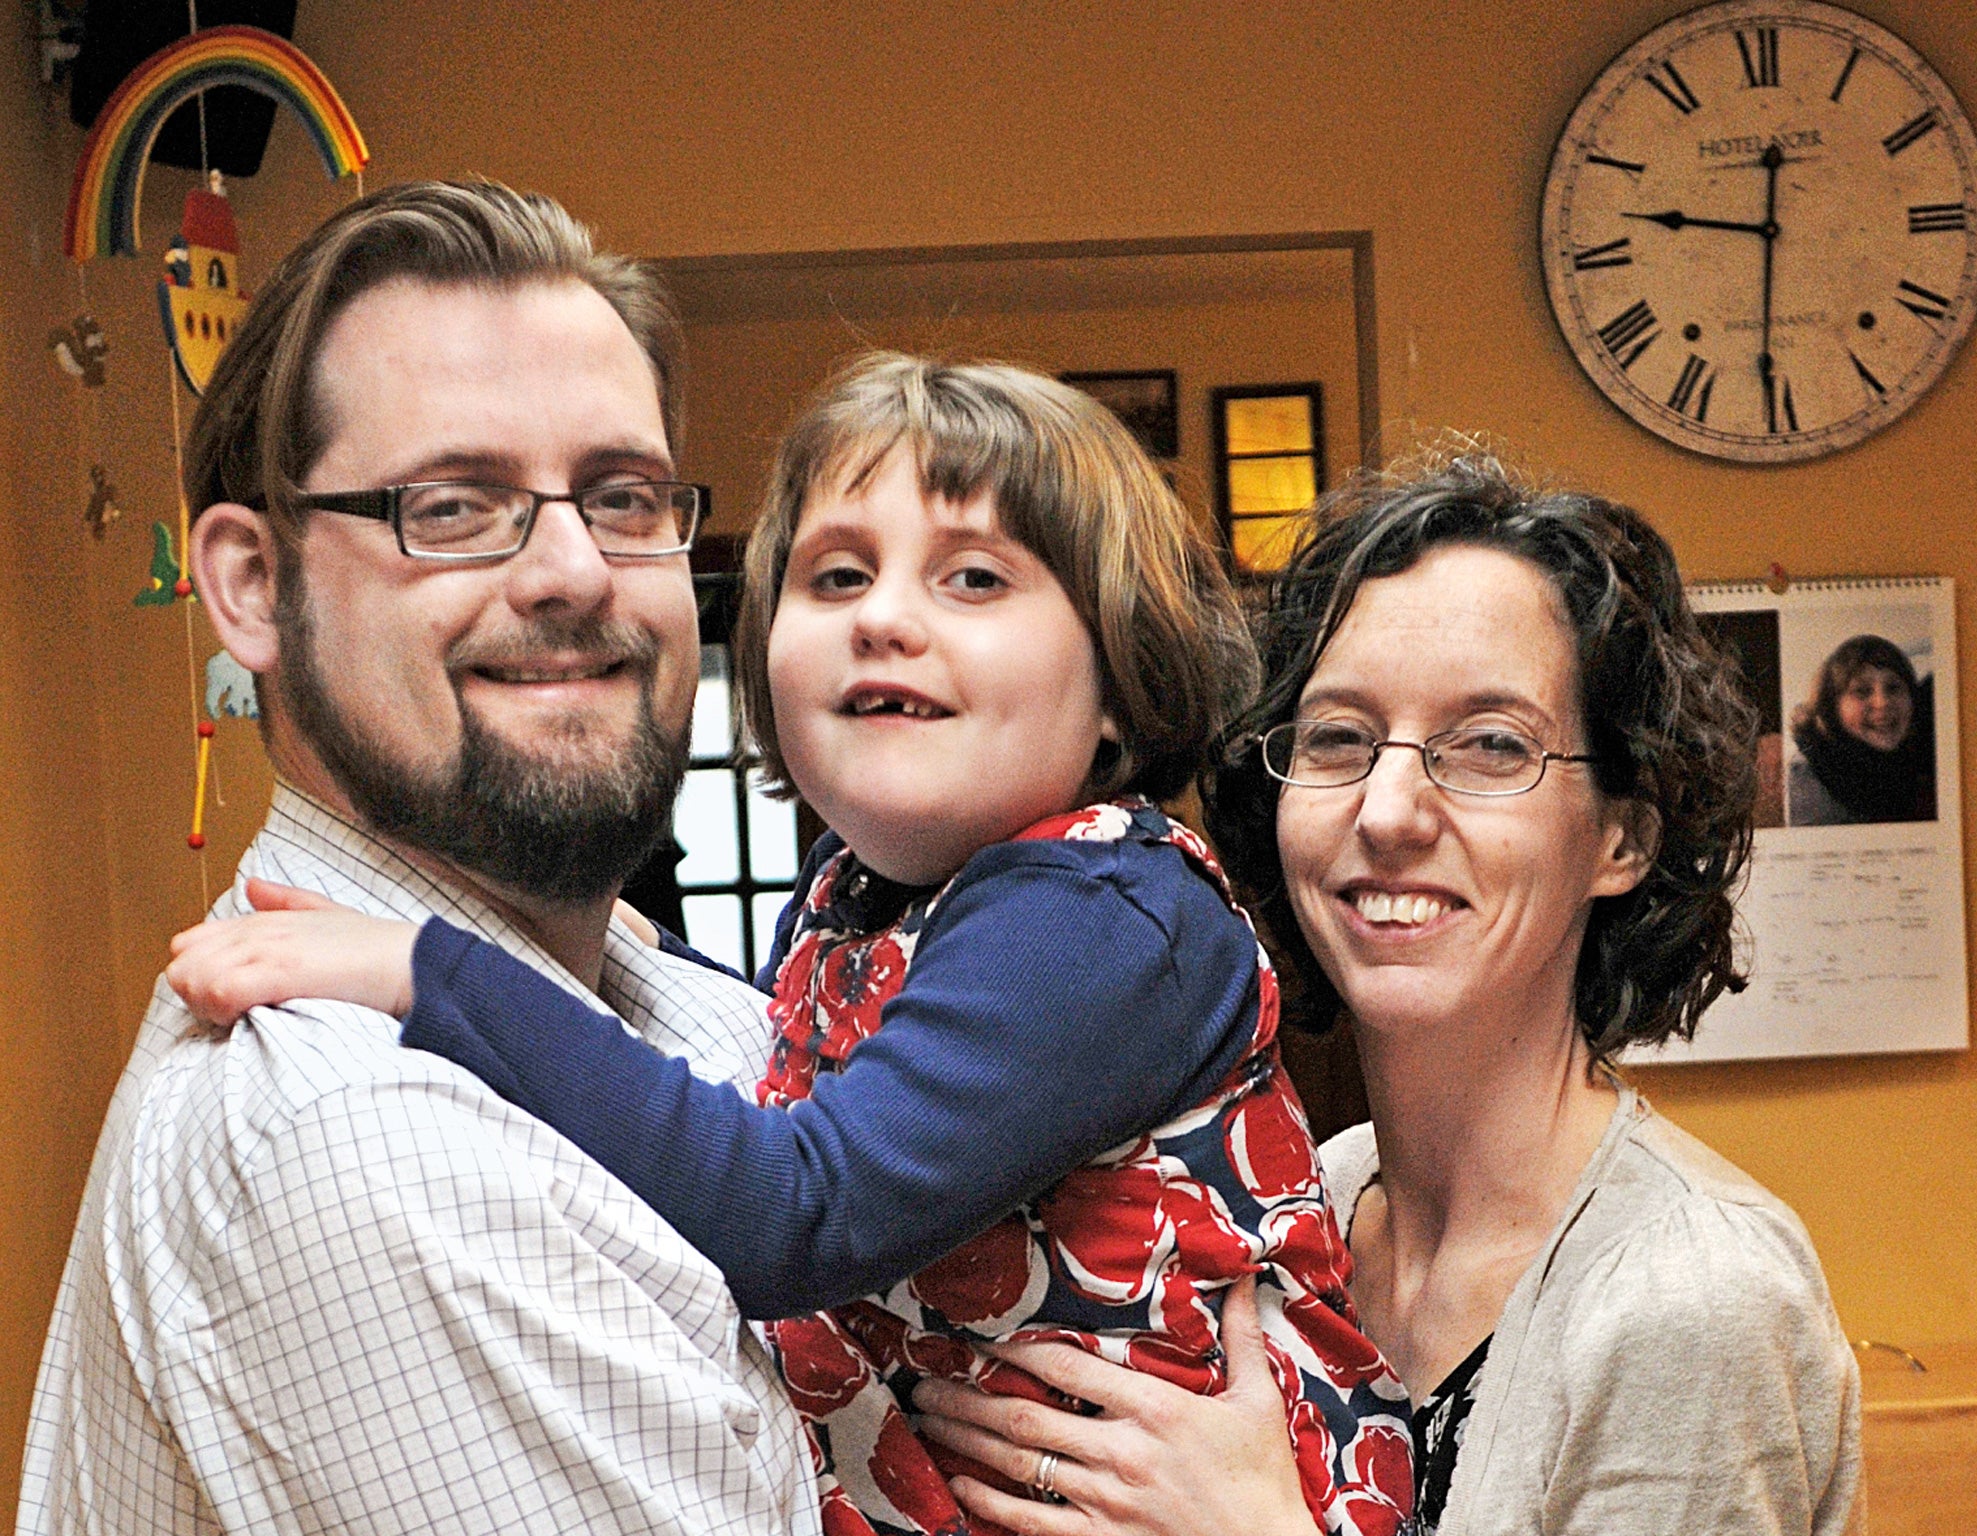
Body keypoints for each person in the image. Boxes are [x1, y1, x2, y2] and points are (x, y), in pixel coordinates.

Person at [162, 354, 1417, 1536]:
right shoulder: (866, 893)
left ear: (1114, 685)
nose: (885, 619)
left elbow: (793, 1211)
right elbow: (826, 1063)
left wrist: (429, 971)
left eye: (973, 578)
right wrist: (626, 952)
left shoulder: (1099, 920)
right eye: (834, 577)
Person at [18, 182, 821, 1536]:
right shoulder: (370, 1139)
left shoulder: (678, 997)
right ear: (252, 588)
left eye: (623, 497)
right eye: (453, 506)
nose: (574, 570)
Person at [911, 454, 1867, 1536]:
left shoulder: (1686, 1298)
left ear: (1620, 836)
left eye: (1489, 746)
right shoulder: (1302, 1198)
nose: (1389, 812)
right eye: (1337, 739)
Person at [1788, 633, 1937, 825]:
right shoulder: (1808, 779)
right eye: (1862, 691)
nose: (1882, 702)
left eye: (1893, 688)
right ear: (1831, 706)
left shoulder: (1919, 761)